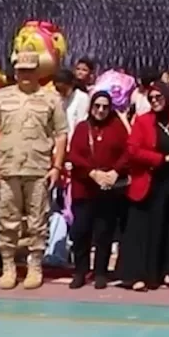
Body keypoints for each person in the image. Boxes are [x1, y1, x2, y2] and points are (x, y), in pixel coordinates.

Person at [0, 52, 69, 291]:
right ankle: (8, 266)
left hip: (38, 168)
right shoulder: (1, 97)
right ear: (15, 71)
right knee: (7, 220)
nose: (26, 74)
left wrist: (57, 166)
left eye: (30, 70)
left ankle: (35, 265)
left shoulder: (51, 99)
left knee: (37, 221)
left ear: (38, 71)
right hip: (8, 168)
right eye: (22, 70)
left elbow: (61, 134)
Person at [119, 82, 169, 292]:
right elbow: (133, 151)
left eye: (159, 97)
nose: (155, 101)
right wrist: (162, 159)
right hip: (148, 181)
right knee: (142, 231)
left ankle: (165, 272)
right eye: (151, 98)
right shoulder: (143, 120)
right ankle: (137, 276)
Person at [66, 91, 130, 290]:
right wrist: (92, 172)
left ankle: (101, 272)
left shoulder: (117, 127)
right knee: (81, 231)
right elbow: (74, 154)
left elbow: (127, 151)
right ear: (91, 107)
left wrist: (115, 172)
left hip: (108, 189)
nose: (101, 110)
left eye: (105, 107)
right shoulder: (82, 128)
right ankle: (80, 271)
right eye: (97, 106)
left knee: (104, 231)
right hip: (84, 187)